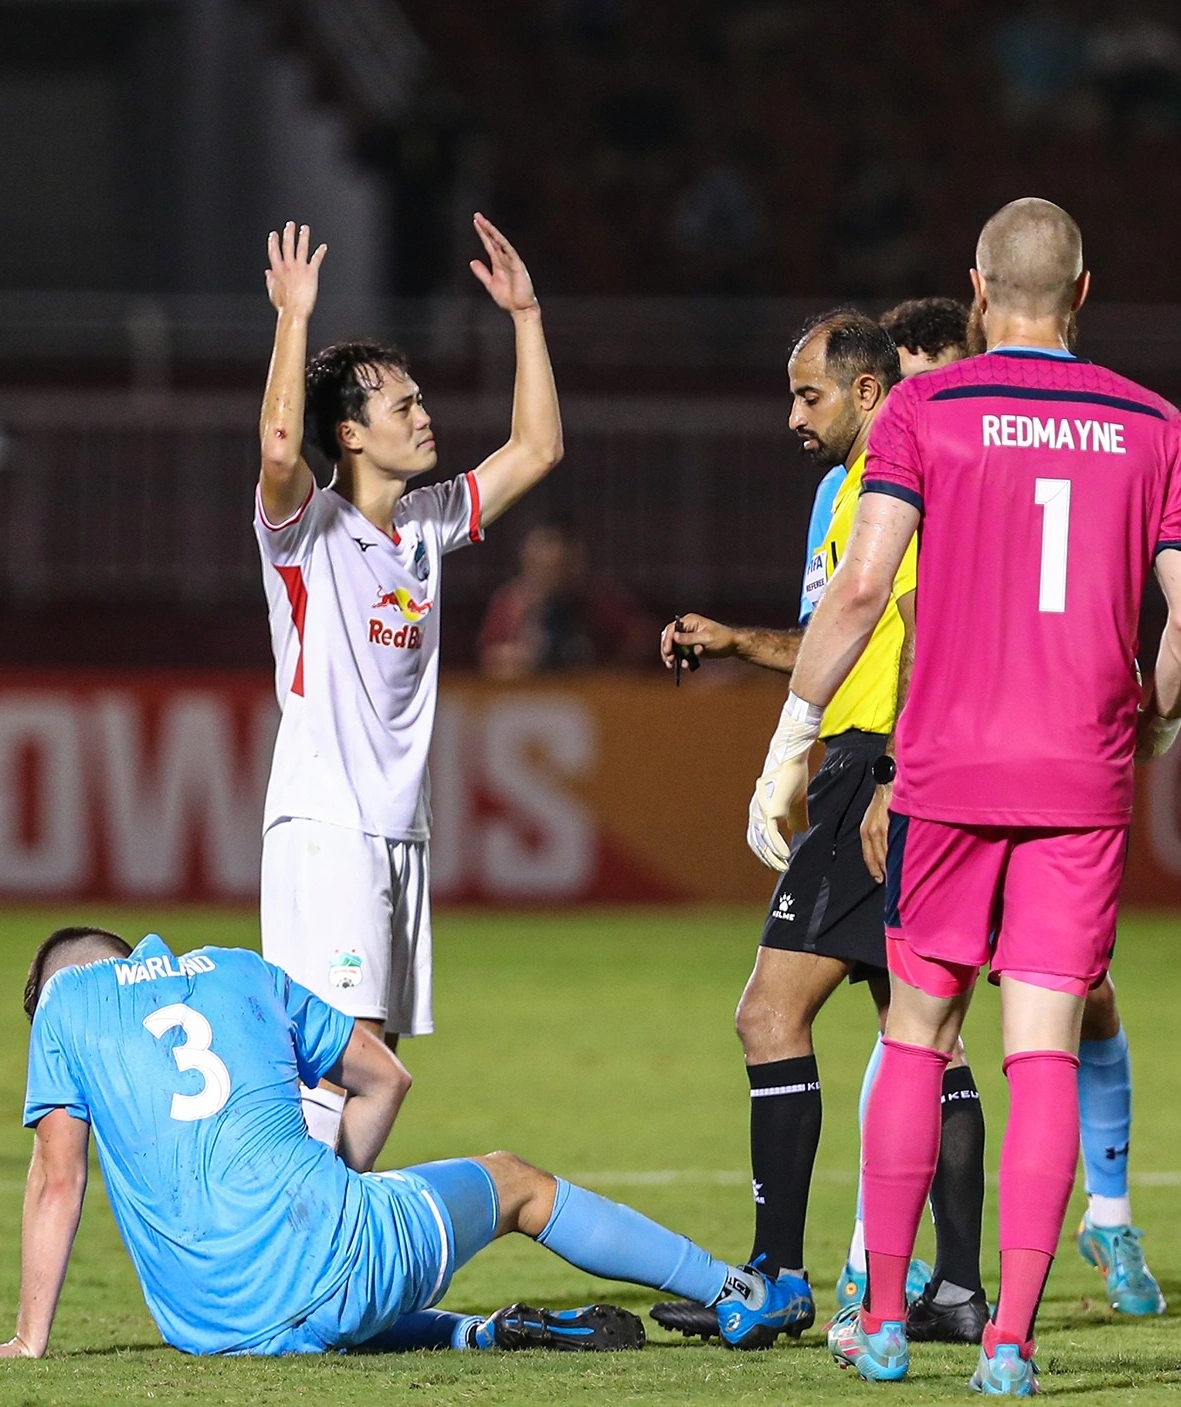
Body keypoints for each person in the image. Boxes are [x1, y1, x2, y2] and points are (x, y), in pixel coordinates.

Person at [765, 199, 1181, 1393]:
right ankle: (1010, 1339)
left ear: (975, 288)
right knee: (1043, 1055)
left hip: (948, 769)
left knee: (915, 1036)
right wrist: (1156, 723)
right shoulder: (1152, 424)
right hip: (1079, 774)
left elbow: (860, 589)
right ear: (1083, 290)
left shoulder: (925, 410)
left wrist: (792, 737)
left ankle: (879, 1322)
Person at [0, 927, 796, 1360]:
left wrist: (27, 1341)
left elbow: (58, 1179)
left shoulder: (66, 1005)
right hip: (336, 1261)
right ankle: (738, 1291)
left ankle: (476, 1335)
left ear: (59, 983)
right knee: (517, 1182)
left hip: (209, 1327)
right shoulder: (240, 967)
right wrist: (336, 1196)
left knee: (310, 1298)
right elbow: (386, 1077)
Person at [653, 308, 991, 1347]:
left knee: (769, 1013)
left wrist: (894, 771)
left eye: (809, 396)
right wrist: (735, 642)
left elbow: (929, 630)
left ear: (863, 391)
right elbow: (835, 634)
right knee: (923, 1033)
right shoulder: (848, 491)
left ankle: (776, 1276)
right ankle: (956, 1290)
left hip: (877, 764)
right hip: (878, 760)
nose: (792, 416)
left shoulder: (899, 480)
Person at [886, 291, 1172, 1322]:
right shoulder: (1128, 426)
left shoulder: (947, 436)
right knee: (969, 1024)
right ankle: (934, 1281)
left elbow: (895, 614)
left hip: (963, 768)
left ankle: (1106, 1213)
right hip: (1035, 770)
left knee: (1003, 1009)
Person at [253, 216, 563, 1159]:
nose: (425, 415)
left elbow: (537, 449)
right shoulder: (306, 530)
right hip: (327, 825)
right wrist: (294, 317)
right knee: (345, 1059)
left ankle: (321, 1228)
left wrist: (527, 318)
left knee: (372, 1052)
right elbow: (279, 450)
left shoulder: (425, 525)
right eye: (403, 405)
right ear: (351, 433)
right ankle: (297, 1233)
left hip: (396, 829)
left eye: (422, 400)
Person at [478, 519, 649, 678]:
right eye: (544, 568)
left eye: (562, 567)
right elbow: (490, 658)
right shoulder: (510, 603)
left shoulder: (601, 601)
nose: (554, 577)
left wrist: (606, 669)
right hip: (529, 693)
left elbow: (642, 641)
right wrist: (524, 655)